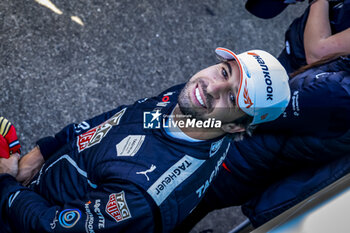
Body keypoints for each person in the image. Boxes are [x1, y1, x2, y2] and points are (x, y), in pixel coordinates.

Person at [0, 48, 291, 233]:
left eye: (232, 97)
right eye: (225, 71)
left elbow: (51, 226)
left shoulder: (145, 195)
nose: (212, 86)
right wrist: (43, 151)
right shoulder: (193, 105)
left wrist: (6, 185)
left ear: (236, 128)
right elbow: (123, 116)